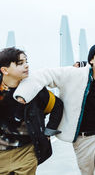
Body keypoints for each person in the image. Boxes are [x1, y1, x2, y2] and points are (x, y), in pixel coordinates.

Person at [14, 43, 95, 175]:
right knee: (88, 172)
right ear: (91, 60)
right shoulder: (74, 74)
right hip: (81, 138)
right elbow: (46, 74)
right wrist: (24, 93)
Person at [0, 47, 63, 175]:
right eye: (20, 63)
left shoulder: (35, 89)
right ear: (4, 70)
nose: (26, 66)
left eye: (26, 62)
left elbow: (57, 105)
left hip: (26, 152)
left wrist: (49, 131)